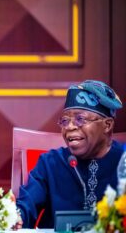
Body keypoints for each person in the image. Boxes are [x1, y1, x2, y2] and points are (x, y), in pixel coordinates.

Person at [16, 80, 124, 228]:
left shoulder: (123, 162)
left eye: (80, 119)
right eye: (65, 121)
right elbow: (26, 207)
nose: (70, 127)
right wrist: (15, 216)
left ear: (107, 125)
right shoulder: (50, 163)